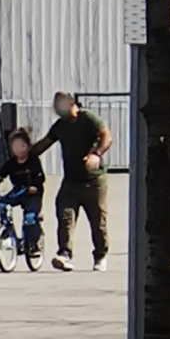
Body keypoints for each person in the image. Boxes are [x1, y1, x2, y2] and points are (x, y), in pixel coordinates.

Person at [45, 88, 109, 270]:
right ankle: (64, 253)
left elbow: (106, 135)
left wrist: (96, 154)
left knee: (98, 221)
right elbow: (44, 143)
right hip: (71, 181)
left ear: (73, 105)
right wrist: (22, 156)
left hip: (94, 181)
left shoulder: (88, 118)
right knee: (65, 216)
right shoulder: (60, 126)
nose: (62, 112)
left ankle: (100, 255)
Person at [0, 124, 44, 268]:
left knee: (29, 218)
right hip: (18, 191)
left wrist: (35, 186)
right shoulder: (11, 163)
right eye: (14, 146)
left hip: (33, 193)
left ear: (27, 146)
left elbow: (40, 176)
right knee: (2, 203)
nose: (17, 149)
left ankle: (33, 244)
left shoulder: (33, 161)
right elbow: (0, 175)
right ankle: (7, 228)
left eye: (21, 146)